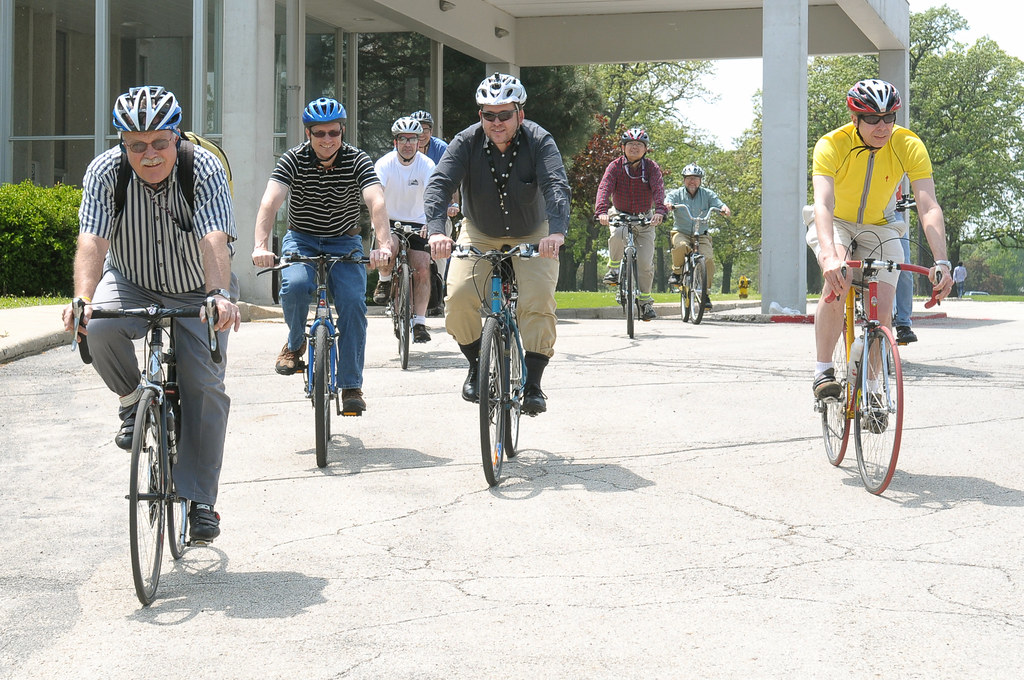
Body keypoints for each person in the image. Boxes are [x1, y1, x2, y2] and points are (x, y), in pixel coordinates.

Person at [61, 85, 240, 542]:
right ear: (122, 143)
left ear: (176, 136)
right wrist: (83, 300)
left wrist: (218, 294)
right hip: (131, 279)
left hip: (198, 286)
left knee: (204, 386)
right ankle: (131, 401)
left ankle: (200, 501)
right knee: (98, 327)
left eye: (160, 142)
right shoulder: (105, 172)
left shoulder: (202, 168)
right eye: (137, 145)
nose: (150, 154)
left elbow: (214, 237)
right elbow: (92, 242)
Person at [423, 72, 570, 415]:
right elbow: (439, 185)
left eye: (505, 114)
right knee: (458, 297)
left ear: (520, 113)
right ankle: (477, 364)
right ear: (481, 117)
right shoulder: (465, 142)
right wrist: (436, 230)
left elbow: (556, 186)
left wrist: (556, 233)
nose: (497, 122)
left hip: (533, 232)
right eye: (489, 115)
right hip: (480, 230)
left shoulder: (539, 140)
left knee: (537, 299)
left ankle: (533, 383)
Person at [807, 79, 952, 399]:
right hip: (838, 222)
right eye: (872, 119)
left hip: (883, 225)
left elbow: (928, 206)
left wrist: (941, 259)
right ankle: (822, 371)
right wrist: (830, 256)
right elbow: (824, 204)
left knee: (883, 307)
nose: (883, 126)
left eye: (890, 117)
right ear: (854, 118)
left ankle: (873, 389)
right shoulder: (831, 144)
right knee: (837, 280)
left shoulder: (909, 144)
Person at [251, 97, 392, 414]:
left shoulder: (357, 160)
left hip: (345, 241)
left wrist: (383, 245)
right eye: (319, 133)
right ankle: (295, 342)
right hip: (302, 239)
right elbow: (270, 202)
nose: (327, 140)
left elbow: (376, 202)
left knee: (355, 304)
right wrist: (261, 246)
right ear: (307, 134)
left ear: (342, 131)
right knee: (296, 286)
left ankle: (351, 384)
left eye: (333, 132)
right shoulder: (293, 160)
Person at [373, 116, 436, 343]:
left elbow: (433, 196)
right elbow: (376, 197)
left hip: (419, 223)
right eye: (403, 139)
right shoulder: (384, 164)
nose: (408, 144)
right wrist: (379, 226)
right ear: (395, 142)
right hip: (390, 220)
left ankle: (419, 323)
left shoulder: (427, 165)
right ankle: (385, 278)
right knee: (389, 248)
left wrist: (431, 223)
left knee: (421, 267)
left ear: (419, 142)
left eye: (412, 139)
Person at [594, 127, 667, 321]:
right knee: (617, 234)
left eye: (639, 145)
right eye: (631, 144)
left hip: (645, 218)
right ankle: (614, 269)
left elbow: (659, 189)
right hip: (620, 214)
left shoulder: (651, 168)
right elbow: (604, 188)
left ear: (645, 149)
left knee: (645, 264)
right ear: (623, 147)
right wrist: (601, 211)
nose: (635, 148)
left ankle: (645, 303)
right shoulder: (615, 166)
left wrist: (660, 211)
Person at [665, 164, 731, 310]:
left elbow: (719, 203)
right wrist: (667, 205)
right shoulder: (677, 194)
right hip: (681, 231)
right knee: (681, 246)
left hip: (701, 235)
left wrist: (724, 208)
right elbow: (668, 199)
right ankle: (676, 273)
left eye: (695, 178)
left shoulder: (707, 194)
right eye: (688, 178)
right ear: (684, 180)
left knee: (707, 259)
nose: (692, 181)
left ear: (700, 180)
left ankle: (704, 293)